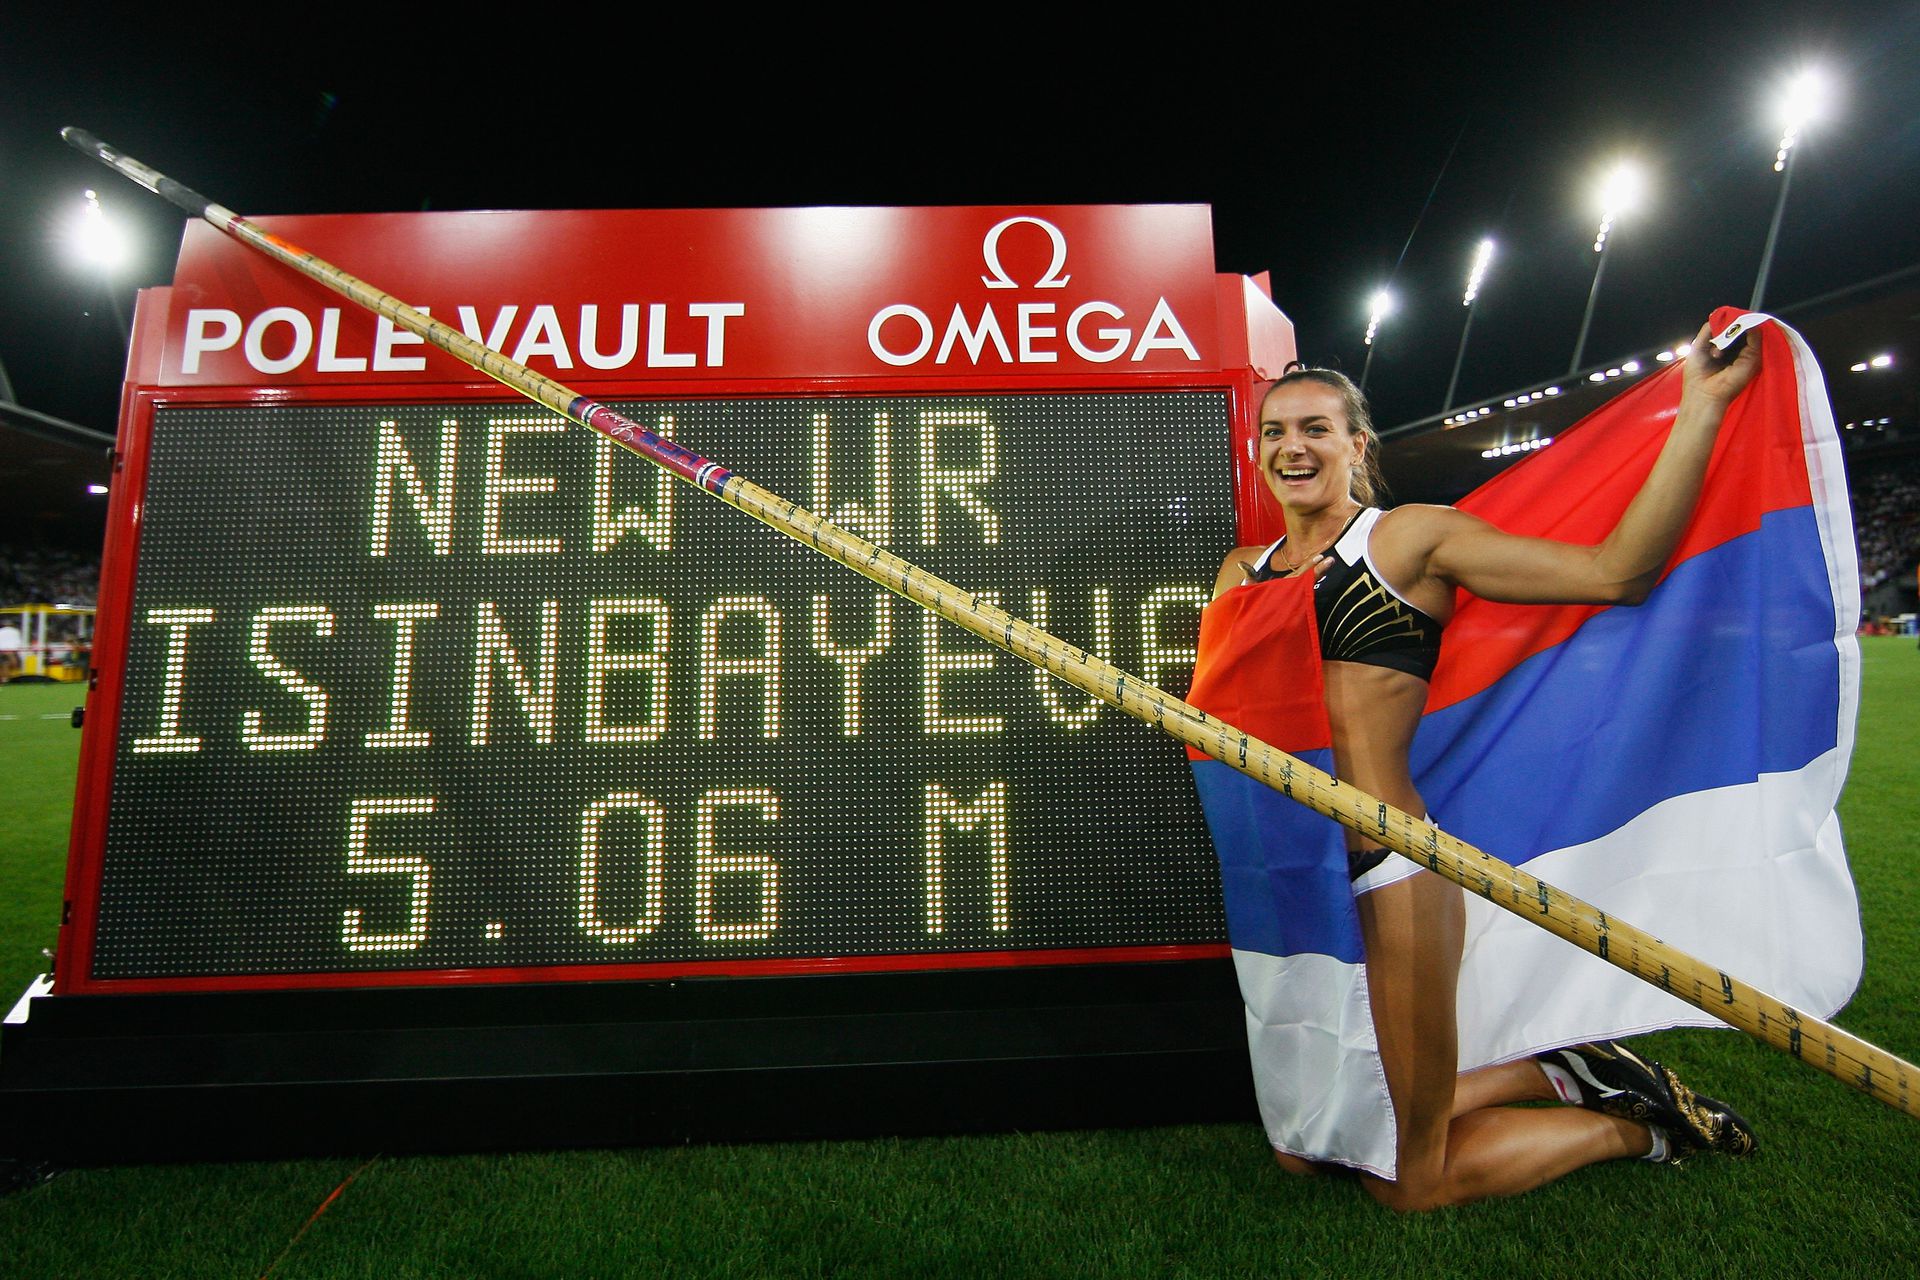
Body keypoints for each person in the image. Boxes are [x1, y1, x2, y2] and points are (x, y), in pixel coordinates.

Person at [1202, 321, 1762, 1211]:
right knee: (1307, 1152)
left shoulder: (1411, 542)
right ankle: (1561, 1072)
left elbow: (1619, 573)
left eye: (1315, 428)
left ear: (1357, 445)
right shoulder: (1244, 572)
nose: (1292, 447)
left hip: (1389, 870)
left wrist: (1700, 405)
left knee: (1411, 1184)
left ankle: (1642, 1125)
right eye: (1274, 431)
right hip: (1287, 878)